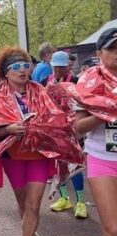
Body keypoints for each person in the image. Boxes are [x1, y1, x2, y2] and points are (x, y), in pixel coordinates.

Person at [0, 46, 81, 236]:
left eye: (26, 65)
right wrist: (8, 129)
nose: (23, 70)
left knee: (34, 205)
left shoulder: (40, 91)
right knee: (23, 202)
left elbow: (56, 117)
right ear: (6, 72)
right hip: (13, 157)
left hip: (38, 156)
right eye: (16, 66)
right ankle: (31, 235)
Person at [74, 28, 117, 236]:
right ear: (99, 53)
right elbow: (78, 128)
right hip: (103, 159)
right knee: (112, 228)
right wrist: (108, 111)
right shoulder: (88, 82)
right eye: (112, 49)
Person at [44, 51, 87, 218]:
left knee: (75, 165)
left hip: (72, 131)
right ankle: (64, 198)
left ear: (66, 67)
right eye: (55, 66)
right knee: (58, 166)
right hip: (54, 131)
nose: (58, 70)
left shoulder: (76, 81)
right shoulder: (45, 81)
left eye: (61, 67)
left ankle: (81, 202)